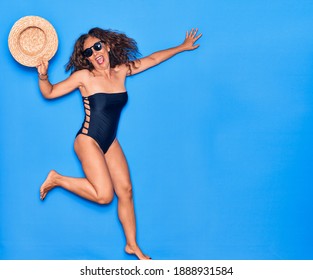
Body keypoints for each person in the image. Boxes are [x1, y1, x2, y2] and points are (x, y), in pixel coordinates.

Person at [37, 27, 202, 260]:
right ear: (86, 59)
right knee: (104, 196)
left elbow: (153, 59)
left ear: (107, 46)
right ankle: (57, 179)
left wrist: (182, 47)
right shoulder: (85, 77)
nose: (94, 53)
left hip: (109, 140)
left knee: (126, 190)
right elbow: (50, 92)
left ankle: (132, 245)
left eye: (97, 46)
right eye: (88, 53)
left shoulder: (121, 71)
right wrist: (43, 76)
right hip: (88, 140)